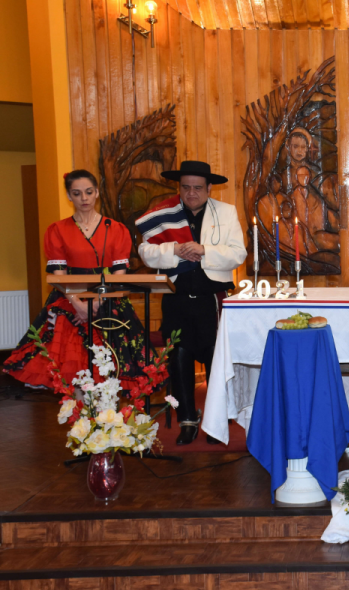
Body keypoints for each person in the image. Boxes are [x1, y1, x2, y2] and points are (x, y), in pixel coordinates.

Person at [3, 170, 153, 390]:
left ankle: (106, 420)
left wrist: (96, 303)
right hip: (70, 300)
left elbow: (119, 273)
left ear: (97, 193)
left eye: (89, 192)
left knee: (111, 369)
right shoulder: (57, 230)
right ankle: (82, 420)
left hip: (107, 299)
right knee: (74, 370)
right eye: (77, 193)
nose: (84, 198)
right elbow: (58, 275)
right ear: (69, 196)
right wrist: (78, 305)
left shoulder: (117, 229)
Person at [137, 161, 247, 445]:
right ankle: (188, 420)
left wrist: (203, 250)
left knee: (215, 358)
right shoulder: (165, 215)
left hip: (211, 298)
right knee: (179, 359)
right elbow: (146, 253)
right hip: (176, 299)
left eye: (198, 187)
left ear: (210, 188)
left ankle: (216, 421)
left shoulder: (226, 212)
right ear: (179, 187)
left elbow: (238, 254)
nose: (192, 193)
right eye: (185, 187)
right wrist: (175, 249)